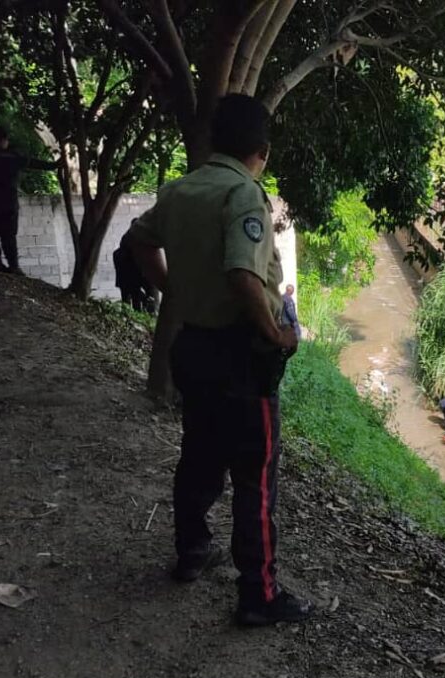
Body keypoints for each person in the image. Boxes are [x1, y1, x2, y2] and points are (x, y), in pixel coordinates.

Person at [127, 94, 309, 627]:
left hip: (193, 348)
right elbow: (243, 275)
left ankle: (192, 550)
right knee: (255, 478)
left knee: (200, 454)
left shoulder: (180, 189)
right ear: (263, 151)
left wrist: (175, 292)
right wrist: (274, 331)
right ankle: (259, 595)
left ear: (212, 142)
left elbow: (137, 240)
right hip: (240, 358)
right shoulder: (245, 194)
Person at [0, 125, 56, 275]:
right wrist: (56, 165)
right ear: (2, 141)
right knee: (8, 235)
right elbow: (36, 163)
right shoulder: (12, 159)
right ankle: (13, 266)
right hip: (6, 201)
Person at [113, 230, 157, 313]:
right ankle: (139, 313)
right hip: (133, 282)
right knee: (136, 302)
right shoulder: (132, 254)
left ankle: (126, 314)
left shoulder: (116, 253)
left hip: (122, 281)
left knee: (125, 300)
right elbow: (136, 269)